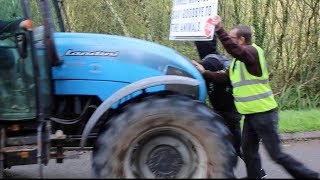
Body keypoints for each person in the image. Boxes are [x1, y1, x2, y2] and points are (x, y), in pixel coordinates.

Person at [192, 15, 319, 179]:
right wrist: (204, 72)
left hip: (264, 114)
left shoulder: (252, 52)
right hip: (251, 115)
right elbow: (224, 77)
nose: (228, 41)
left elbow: (235, 51)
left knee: (277, 155)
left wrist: (219, 29)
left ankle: (310, 176)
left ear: (242, 39)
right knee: (248, 151)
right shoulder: (238, 63)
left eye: (232, 38)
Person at [194, 37, 267, 179]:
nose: (195, 49)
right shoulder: (219, 58)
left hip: (225, 112)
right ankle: (258, 174)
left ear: (201, 47)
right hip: (230, 109)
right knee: (236, 145)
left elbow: (194, 68)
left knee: (224, 147)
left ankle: (252, 175)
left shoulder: (209, 61)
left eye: (197, 46)